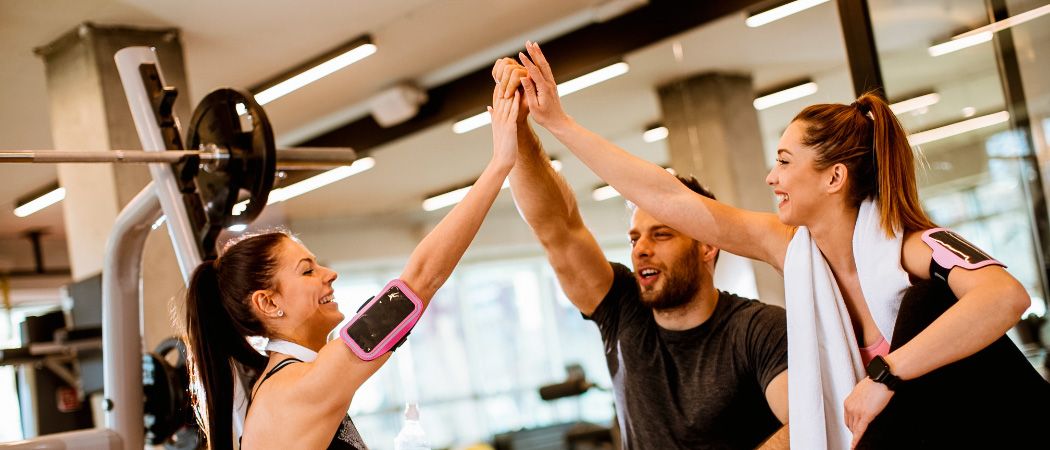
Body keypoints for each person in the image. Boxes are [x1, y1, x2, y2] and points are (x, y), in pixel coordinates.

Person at [507, 40, 1049, 449]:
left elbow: (1005, 297)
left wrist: (886, 374)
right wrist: (559, 124)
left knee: (925, 304)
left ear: (834, 178)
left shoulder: (912, 247)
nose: (771, 178)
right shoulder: (791, 249)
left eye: (786, 162)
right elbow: (665, 195)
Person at [182, 87, 522, 450]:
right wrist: (500, 163)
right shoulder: (297, 388)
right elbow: (421, 280)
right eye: (307, 270)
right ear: (268, 302)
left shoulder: (297, 380)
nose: (330, 274)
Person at [492, 62, 789, 449]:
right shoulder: (622, 309)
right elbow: (556, 228)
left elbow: (807, 425)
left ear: (707, 245)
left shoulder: (758, 330)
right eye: (634, 239)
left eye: (661, 234)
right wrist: (518, 127)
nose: (642, 249)